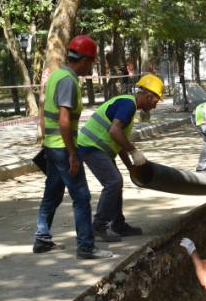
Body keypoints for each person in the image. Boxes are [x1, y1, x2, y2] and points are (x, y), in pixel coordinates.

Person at [33, 34, 112, 260]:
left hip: (51, 146)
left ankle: (42, 239)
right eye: (92, 62)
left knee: (53, 193)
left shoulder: (57, 76)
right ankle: (86, 246)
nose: (92, 67)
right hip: (62, 147)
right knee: (81, 196)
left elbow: (43, 111)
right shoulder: (68, 81)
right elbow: (64, 119)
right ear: (85, 60)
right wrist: (72, 154)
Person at [77, 74, 163, 242]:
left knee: (116, 182)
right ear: (148, 96)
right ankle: (99, 226)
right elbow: (114, 132)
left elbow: (119, 141)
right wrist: (134, 151)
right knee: (114, 182)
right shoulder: (128, 105)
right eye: (155, 102)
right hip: (91, 146)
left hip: (100, 148)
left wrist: (131, 167)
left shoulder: (129, 107)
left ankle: (118, 225)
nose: (154, 106)